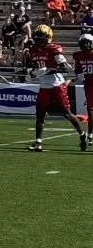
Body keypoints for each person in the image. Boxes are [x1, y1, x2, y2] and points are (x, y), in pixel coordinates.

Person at [23, 24, 88, 152]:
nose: (39, 40)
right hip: (44, 86)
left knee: (67, 114)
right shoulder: (33, 50)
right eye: (37, 37)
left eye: (42, 37)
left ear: (48, 37)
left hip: (57, 86)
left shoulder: (53, 49)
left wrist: (47, 71)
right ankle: (38, 143)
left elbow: (65, 68)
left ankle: (82, 134)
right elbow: (31, 68)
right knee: (40, 115)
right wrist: (33, 72)